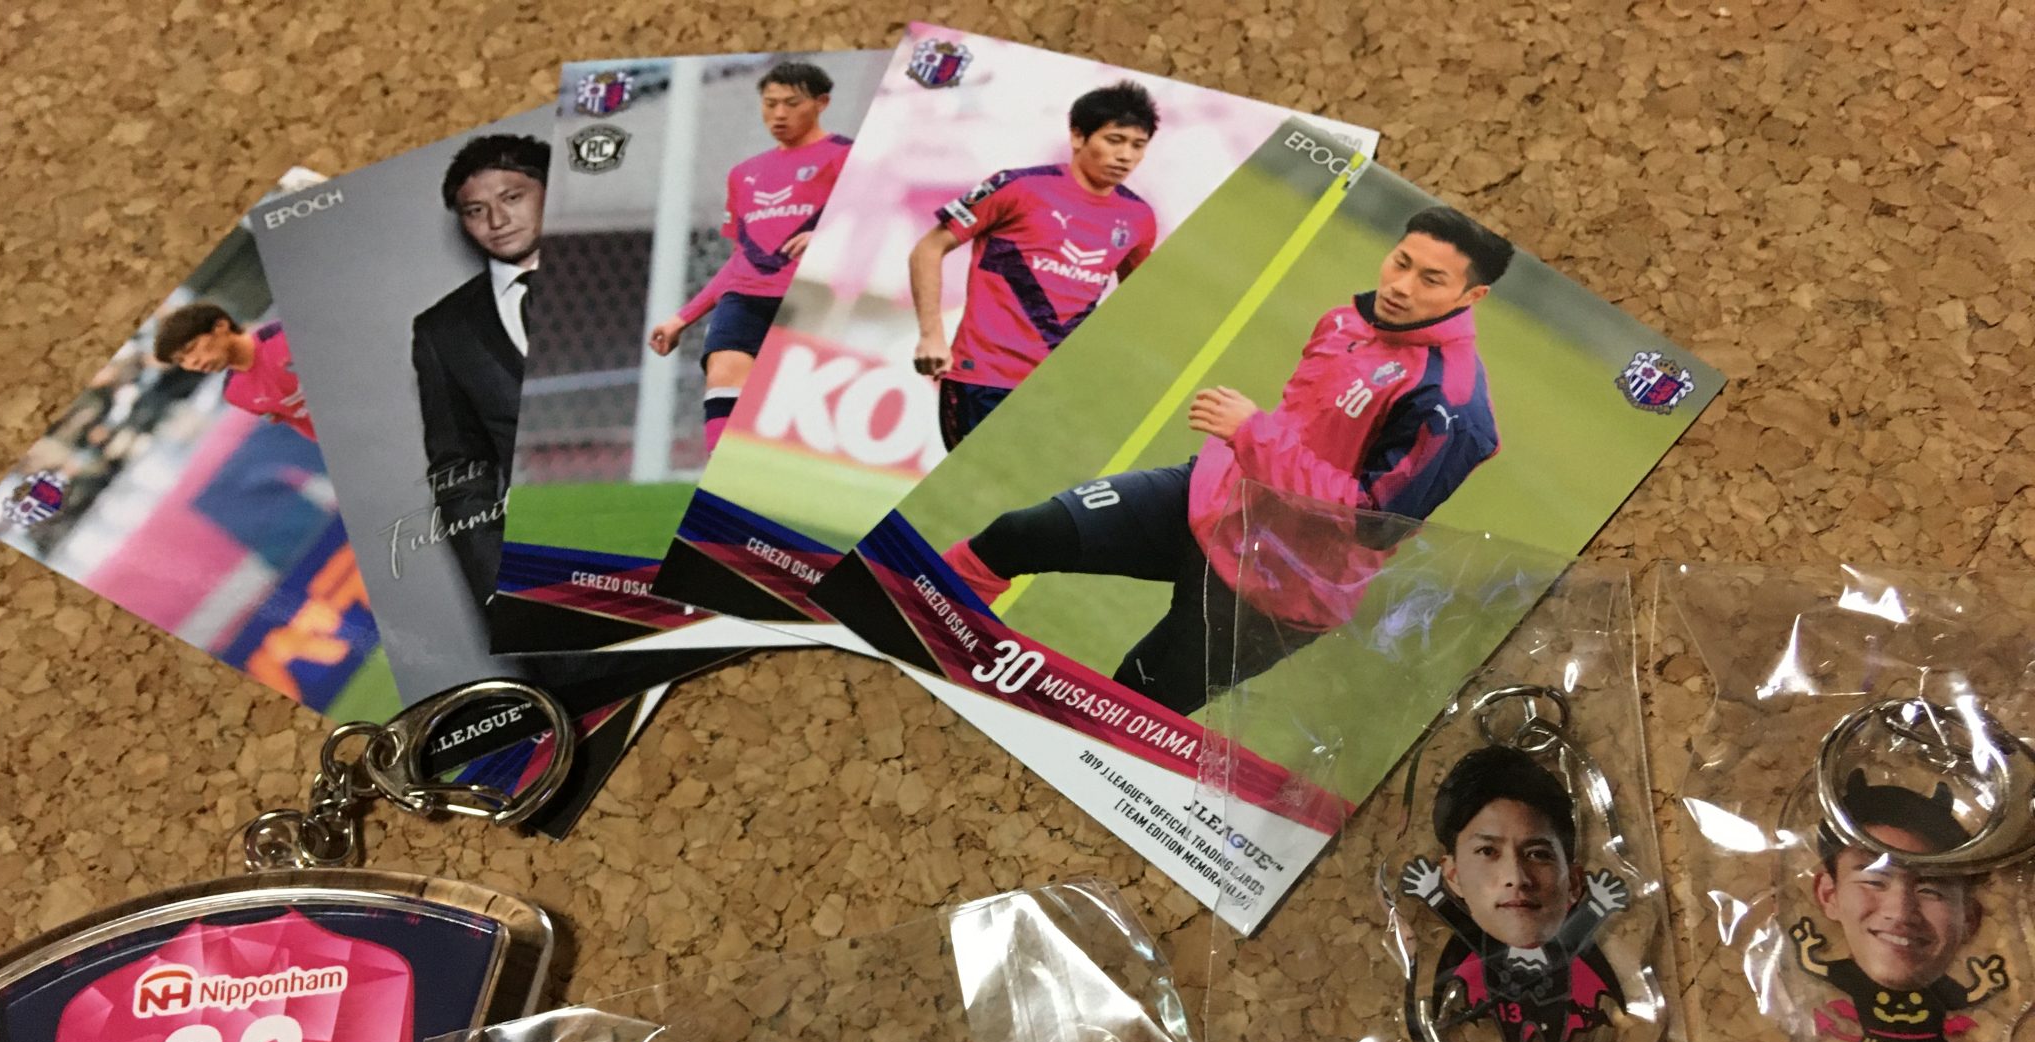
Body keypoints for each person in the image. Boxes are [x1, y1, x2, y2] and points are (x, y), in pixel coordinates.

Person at [941, 203, 1512, 718]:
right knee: (1020, 534)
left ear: (1472, 296)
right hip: (1213, 499)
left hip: (1278, 589)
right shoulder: (1347, 322)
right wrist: (1253, 442)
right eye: (1401, 262)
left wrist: (1251, 433)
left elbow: (1375, 521)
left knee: (1121, 710)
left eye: (1431, 279)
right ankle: (914, 626)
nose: (1401, 286)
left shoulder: (1451, 405)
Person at [910, 82, 1161, 451]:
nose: (1125, 155)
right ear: (1077, 136)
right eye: (1114, 140)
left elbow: (1138, 302)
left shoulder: (1138, 217)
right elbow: (928, 249)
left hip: (1057, 389)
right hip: (982, 376)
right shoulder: (1018, 187)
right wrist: (931, 336)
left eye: (1138, 146)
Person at [647, 61, 852, 454]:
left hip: (811, 296)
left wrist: (828, 234)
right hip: (745, 297)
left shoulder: (846, 157)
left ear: (821, 103)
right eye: (770, 104)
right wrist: (682, 318)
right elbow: (741, 258)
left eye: (792, 103)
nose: (779, 114)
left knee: (802, 418)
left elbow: (880, 221)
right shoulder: (744, 174)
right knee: (722, 377)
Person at [1401, 745, 1628, 1042]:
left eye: (1538, 853)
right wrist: (1432, 895)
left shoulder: (1561, 945)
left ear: (1574, 880)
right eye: (1487, 851)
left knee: (1553, 1026)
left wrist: (1598, 906)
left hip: (1555, 1004)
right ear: (1453, 875)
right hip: (1501, 1008)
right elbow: (1462, 925)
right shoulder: (1484, 944)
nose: (1517, 878)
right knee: (1512, 1032)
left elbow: (1578, 934)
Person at [1791, 773, 2006, 1042]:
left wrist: (1986, 983)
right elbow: (1814, 966)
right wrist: (1805, 946)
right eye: (1874, 881)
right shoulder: (1851, 977)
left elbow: (1966, 997)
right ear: (1829, 894)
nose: (1901, 912)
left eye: (1931, 889)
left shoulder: (1941, 990)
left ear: (1968, 916)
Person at [410, 133, 549, 605]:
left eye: (512, 198)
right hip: (561, 566)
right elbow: (460, 473)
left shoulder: (638, 265)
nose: (496, 220)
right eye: (475, 210)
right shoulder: (443, 329)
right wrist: (501, 595)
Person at [153, 302, 316, 440]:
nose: (191, 362)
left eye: (191, 348)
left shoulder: (285, 334)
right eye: (180, 361)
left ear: (221, 326)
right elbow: (290, 418)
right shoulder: (234, 394)